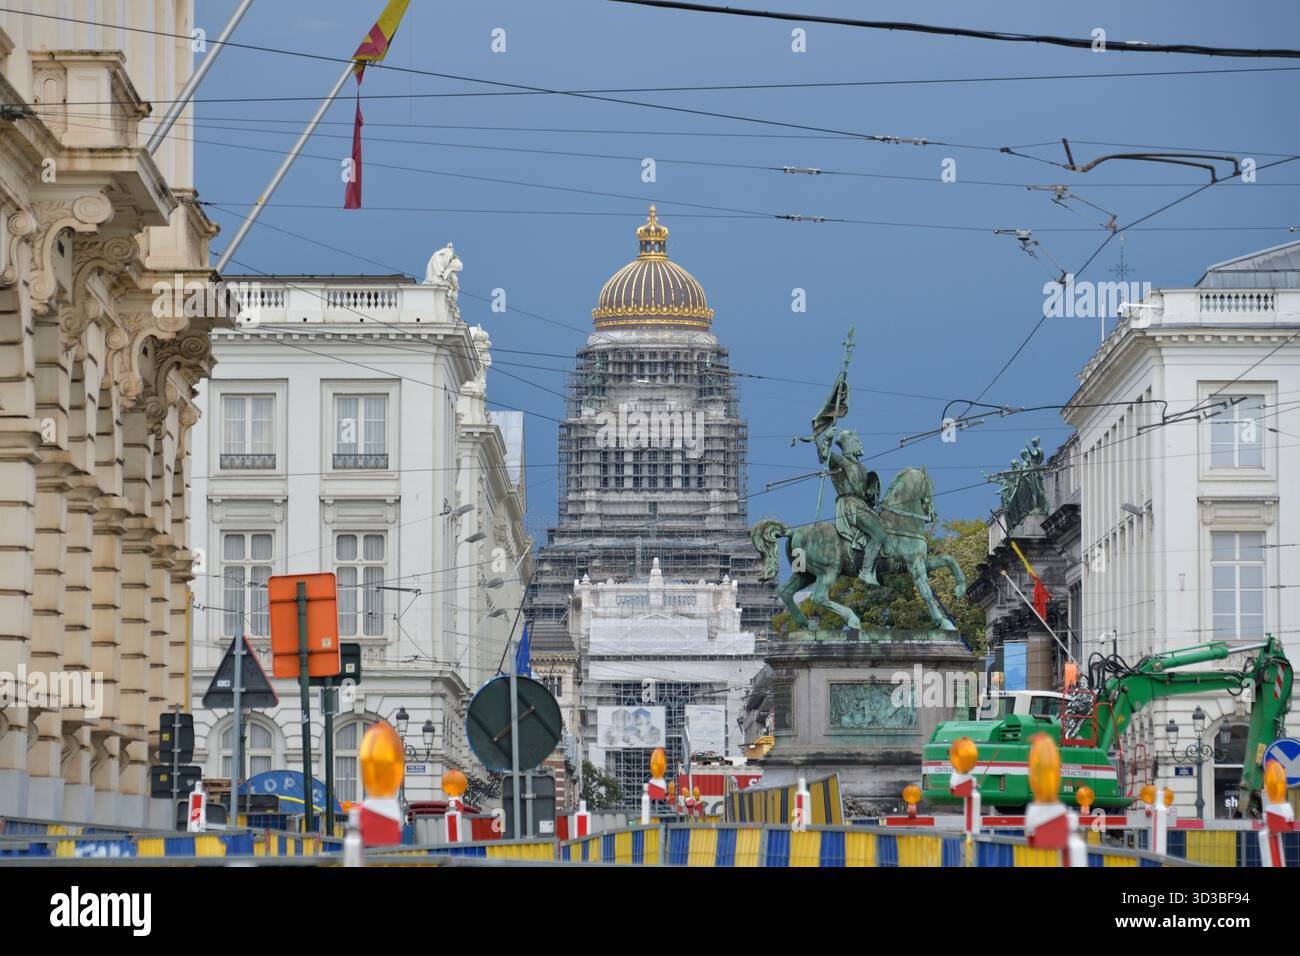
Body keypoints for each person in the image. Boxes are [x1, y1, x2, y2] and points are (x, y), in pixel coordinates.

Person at [817, 427, 887, 586]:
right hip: (849, 505)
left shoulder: (862, 467)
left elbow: (866, 491)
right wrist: (827, 439)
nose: (860, 444)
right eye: (856, 441)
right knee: (879, 534)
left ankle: (875, 566)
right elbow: (825, 456)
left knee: (883, 527)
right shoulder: (841, 461)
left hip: (861, 504)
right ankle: (866, 572)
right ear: (848, 444)